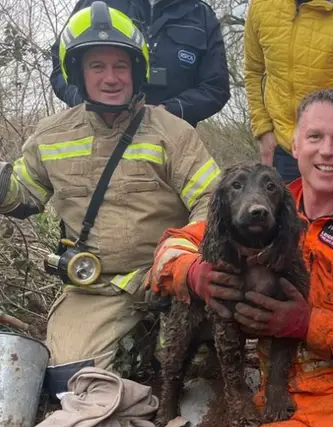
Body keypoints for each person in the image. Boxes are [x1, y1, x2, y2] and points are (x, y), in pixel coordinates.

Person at [149, 88, 333, 427]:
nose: (326, 150)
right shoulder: (262, 210)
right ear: (295, 146)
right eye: (315, 137)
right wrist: (192, 273)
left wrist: (309, 325)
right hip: (278, 405)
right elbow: (169, 247)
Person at [0, 1, 220, 395]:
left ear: (138, 71)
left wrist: (181, 257)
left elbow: (213, 200)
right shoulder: (51, 135)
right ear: (78, 73)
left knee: (193, 370)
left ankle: (155, 357)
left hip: (167, 284)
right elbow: (23, 198)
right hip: (94, 286)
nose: (111, 78)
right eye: (97, 66)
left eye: (121, 66)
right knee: (67, 380)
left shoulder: (174, 133)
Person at [244, 0, 333, 183]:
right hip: (283, 148)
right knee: (288, 212)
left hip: (332, 151)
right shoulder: (261, 5)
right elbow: (253, 72)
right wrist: (263, 130)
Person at [50, 0, 230, 128]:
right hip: (99, 136)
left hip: (171, 142)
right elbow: (61, 67)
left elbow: (216, 88)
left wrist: (167, 112)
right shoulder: (96, 4)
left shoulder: (200, 14)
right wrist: (86, 103)